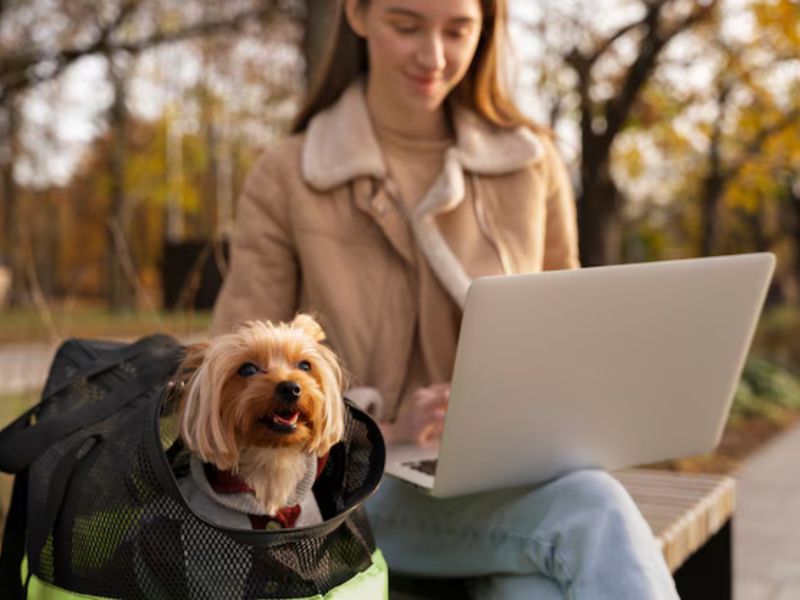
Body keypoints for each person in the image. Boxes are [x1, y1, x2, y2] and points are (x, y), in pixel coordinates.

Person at [212, 0, 680, 598]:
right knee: (592, 510)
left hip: (505, 485)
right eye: (406, 26)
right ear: (357, 14)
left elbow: (570, 342)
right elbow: (234, 382)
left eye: (458, 30)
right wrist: (379, 428)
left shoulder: (530, 164)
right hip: (349, 491)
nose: (433, 57)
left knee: (541, 585)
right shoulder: (288, 174)